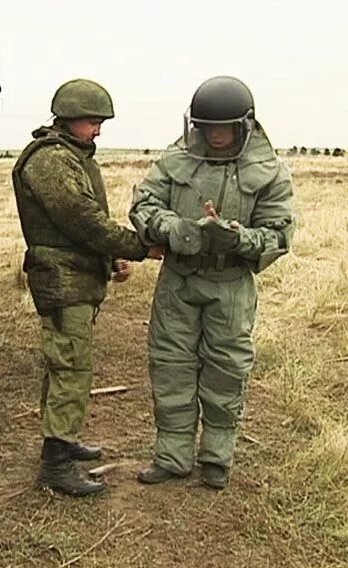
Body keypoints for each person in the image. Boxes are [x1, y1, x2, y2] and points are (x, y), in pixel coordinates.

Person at [129, 76, 295, 489]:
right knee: (171, 367)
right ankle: (172, 457)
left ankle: (217, 458)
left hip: (231, 284)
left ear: (245, 125)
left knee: (226, 369)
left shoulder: (268, 170)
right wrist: (172, 228)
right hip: (178, 281)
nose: (214, 136)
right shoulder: (175, 158)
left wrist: (241, 238)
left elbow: (279, 233)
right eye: (206, 127)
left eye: (222, 128)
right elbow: (144, 203)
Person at [12, 78, 162, 497]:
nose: (98, 130)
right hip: (63, 282)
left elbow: (84, 223)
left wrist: (110, 258)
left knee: (67, 365)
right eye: (93, 122)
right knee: (70, 368)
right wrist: (137, 247)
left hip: (74, 278)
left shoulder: (72, 156)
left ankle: (61, 440)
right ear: (70, 118)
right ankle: (55, 465)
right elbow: (81, 220)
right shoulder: (52, 161)